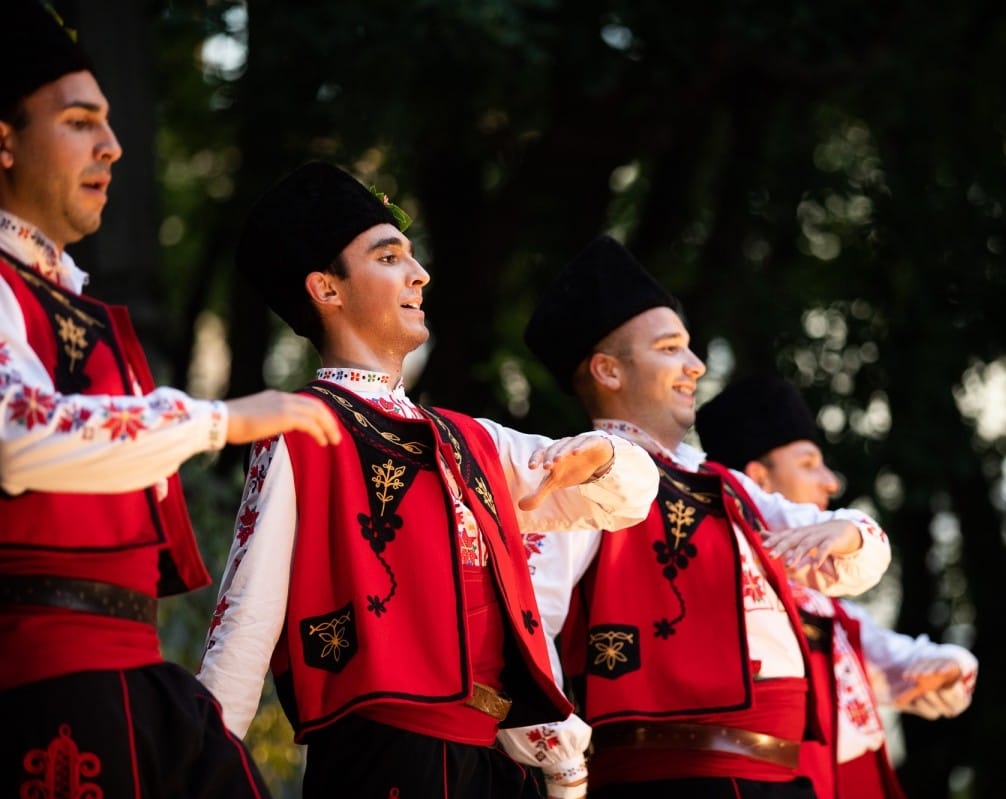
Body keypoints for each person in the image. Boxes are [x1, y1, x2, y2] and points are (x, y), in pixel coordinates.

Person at [195, 162, 659, 797]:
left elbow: (627, 498)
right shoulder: (302, 432)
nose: (420, 274)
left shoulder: (474, 440)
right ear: (327, 290)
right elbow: (245, 621)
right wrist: (196, 766)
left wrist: (600, 455)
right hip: (386, 758)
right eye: (389, 257)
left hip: (495, 762)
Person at [0, 3, 343, 797]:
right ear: (6, 140)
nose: (111, 146)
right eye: (80, 121)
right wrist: (222, 419)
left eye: (109, 123)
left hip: (138, 678)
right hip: (42, 682)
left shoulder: (74, 303)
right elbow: (17, 433)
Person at [497, 235, 893, 799]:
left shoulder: (727, 485)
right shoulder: (586, 478)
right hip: (676, 780)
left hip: (779, 776)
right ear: (607, 370)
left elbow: (858, 567)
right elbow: (528, 620)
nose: (696, 366)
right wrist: (561, 759)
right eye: (670, 348)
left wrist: (849, 532)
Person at [695, 372, 979, 799]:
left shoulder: (831, 612)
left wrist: (949, 666)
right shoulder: (727, 597)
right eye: (809, 464)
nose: (831, 481)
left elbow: (909, 661)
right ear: (758, 480)